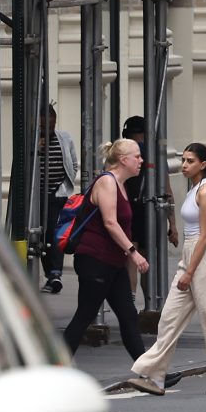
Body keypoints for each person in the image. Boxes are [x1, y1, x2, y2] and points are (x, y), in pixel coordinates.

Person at [120, 142, 206, 396]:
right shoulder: (194, 188)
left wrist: (189, 271)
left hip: (203, 256)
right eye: (184, 160)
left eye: (190, 161)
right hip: (191, 255)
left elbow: (204, 236)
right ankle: (155, 377)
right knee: (169, 318)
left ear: (202, 164)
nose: (185, 165)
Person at [64, 139, 151, 360]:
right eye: (137, 156)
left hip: (112, 262)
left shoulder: (120, 184)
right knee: (85, 315)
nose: (141, 161)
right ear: (123, 160)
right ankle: (53, 369)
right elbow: (110, 222)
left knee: (128, 315)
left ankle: (149, 373)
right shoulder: (107, 182)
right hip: (95, 261)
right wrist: (134, 253)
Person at [34, 102, 77, 293]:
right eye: (43, 126)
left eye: (51, 126)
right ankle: (50, 273)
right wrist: (35, 149)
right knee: (42, 233)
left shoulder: (64, 138)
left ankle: (55, 274)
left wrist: (65, 184)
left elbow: (73, 163)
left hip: (58, 194)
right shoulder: (31, 140)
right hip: (37, 196)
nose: (48, 130)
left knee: (56, 232)